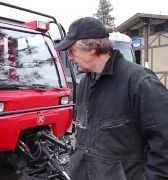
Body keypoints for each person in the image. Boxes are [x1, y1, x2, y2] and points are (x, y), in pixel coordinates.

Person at [56, 17, 168, 180]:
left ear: (92, 48)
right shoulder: (84, 84)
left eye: (71, 51)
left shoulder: (139, 82)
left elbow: (164, 144)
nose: (70, 58)